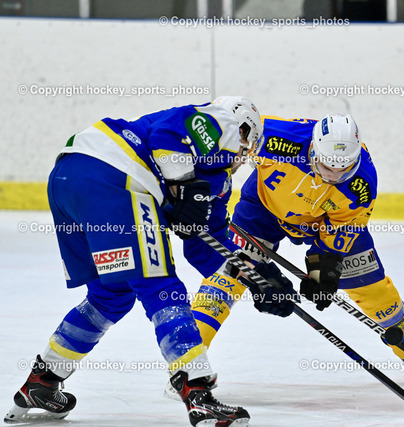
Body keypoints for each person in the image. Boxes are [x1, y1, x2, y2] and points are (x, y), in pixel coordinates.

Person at [4, 97, 297, 427]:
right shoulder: (220, 123)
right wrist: (184, 185)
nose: (245, 159)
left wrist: (258, 277)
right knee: (162, 287)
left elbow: (206, 246)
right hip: (114, 175)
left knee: (110, 295)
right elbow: (166, 136)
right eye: (248, 148)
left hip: (69, 180)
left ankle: (42, 381)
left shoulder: (217, 180)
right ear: (244, 131)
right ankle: (197, 392)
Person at [182, 113, 404, 384]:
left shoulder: (362, 185)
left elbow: (340, 233)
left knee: (372, 288)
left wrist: (322, 273)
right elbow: (218, 129)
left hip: (323, 223)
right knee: (228, 275)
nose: (334, 176)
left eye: (343, 170)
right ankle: (187, 366)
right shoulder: (275, 138)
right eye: (327, 167)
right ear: (313, 150)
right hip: (262, 210)